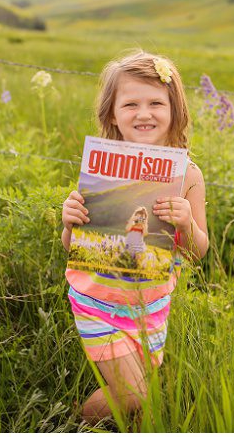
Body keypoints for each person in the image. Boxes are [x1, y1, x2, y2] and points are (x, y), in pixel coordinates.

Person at [61, 51, 209, 425]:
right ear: (112, 113)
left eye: (156, 103)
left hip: (151, 306)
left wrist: (187, 223)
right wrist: (69, 222)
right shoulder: (102, 167)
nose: (144, 114)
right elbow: (75, 247)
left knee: (138, 397)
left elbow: (197, 252)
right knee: (132, 395)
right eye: (131, 104)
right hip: (98, 300)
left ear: (174, 110)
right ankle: (70, 423)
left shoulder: (188, 175)